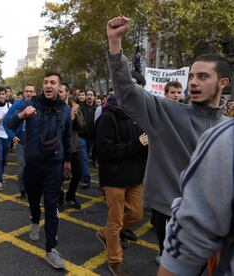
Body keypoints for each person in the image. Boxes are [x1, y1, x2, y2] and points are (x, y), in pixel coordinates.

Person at [106, 16, 230, 264]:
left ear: (222, 83)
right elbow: (128, 92)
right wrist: (115, 43)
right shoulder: (168, 113)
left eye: (203, 77)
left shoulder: (228, 128)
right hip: (174, 216)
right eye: (192, 76)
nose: (193, 82)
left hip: (221, 220)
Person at [7, 72, 72, 269]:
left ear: (59, 86)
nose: (49, 86)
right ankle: (35, 220)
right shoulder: (30, 103)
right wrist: (22, 115)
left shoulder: (66, 109)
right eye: (46, 82)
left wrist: (68, 161)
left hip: (54, 165)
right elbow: (8, 124)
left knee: (52, 206)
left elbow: (68, 137)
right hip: (33, 164)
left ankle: (51, 249)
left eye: (53, 82)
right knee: (34, 200)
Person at [158, 119, 234, 276]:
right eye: (173, 91)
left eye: (178, 91)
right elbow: (190, 237)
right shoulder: (226, 139)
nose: (190, 92)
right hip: (168, 190)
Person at [95, 95, 148, 275]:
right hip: (114, 178)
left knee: (137, 215)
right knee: (115, 222)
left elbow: (143, 146)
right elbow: (104, 151)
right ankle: (115, 260)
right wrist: (137, 144)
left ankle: (105, 233)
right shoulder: (107, 117)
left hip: (135, 177)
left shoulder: (137, 115)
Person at [3, 83, 36, 199]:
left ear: (35, 93)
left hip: (36, 143)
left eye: (31, 91)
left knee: (35, 169)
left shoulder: (40, 105)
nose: (29, 93)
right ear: (23, 93)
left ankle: (33, 191)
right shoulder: (17, 105)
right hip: (21, 142)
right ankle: (23, 191)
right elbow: (6, 122)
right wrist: (12, 136)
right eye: (27, 91)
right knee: (22, 169)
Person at [58, 82, 84, 209]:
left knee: (78, 173)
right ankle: (59, 198)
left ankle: (71, 196)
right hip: (58, 148)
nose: (58, 94)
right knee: (59, 175)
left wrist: (76, 116)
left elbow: (82, 126)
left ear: (68, 93)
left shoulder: (75, 106)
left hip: (73, 146)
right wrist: (69, 118)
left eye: (61, 91)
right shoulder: (55, 107)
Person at [79, 89, 97, 188]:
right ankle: (86, 179)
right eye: (88, 95)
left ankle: (82, 174)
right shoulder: (80, 108)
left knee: (84, 157)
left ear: (94, 97)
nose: (89, 96)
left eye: (91, 95)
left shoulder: (98, 109)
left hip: (92, 137)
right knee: (84, 158)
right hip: (81, 136)